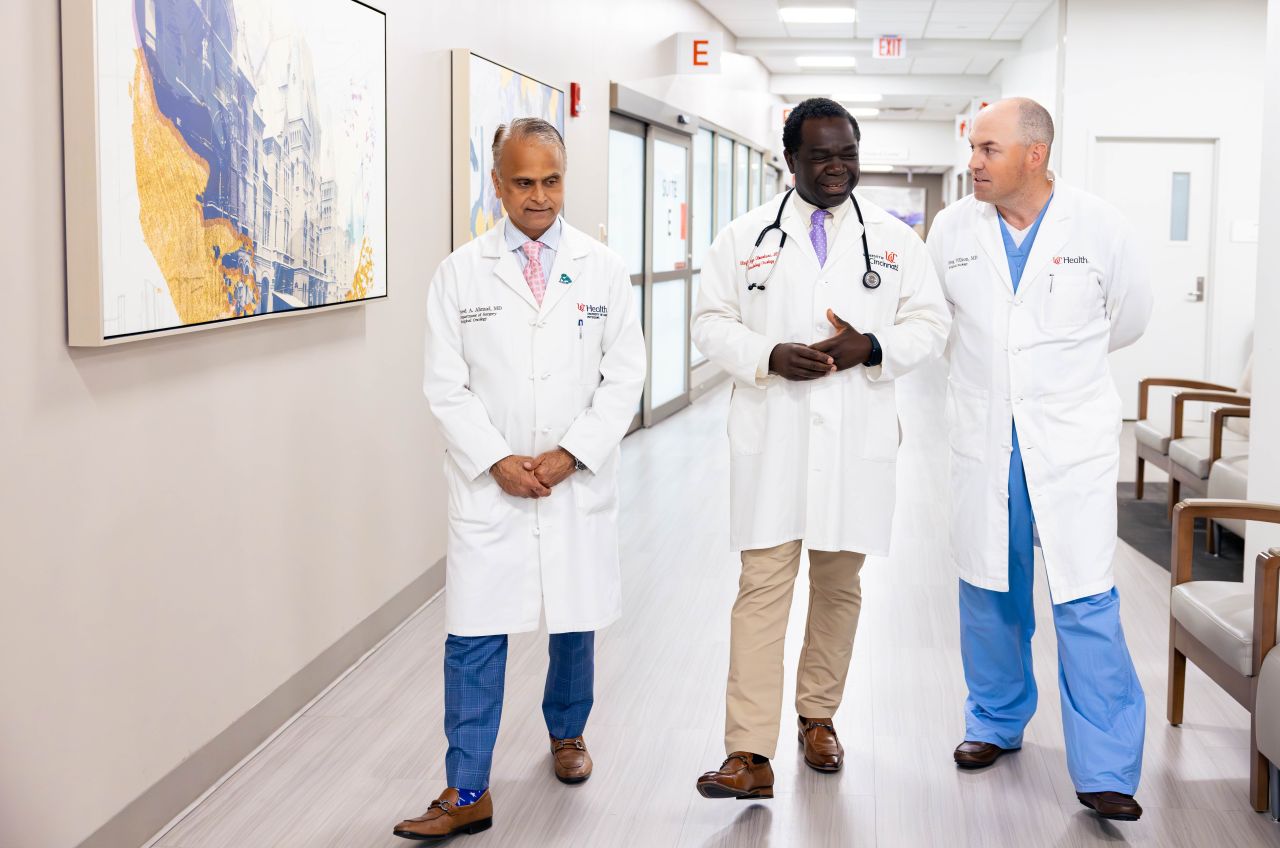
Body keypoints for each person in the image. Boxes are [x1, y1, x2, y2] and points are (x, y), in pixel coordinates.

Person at [691, 97, 951, 800]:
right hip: (772, 436)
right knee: (761, 591)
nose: (837, 168)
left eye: (847, 155)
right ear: (791, 160)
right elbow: (710, 320)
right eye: (821, 156)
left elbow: (931, 324)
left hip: (855, 439)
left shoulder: (896, 241)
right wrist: (765, 353)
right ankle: (748, 751)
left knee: (838, 590)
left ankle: (818, 718)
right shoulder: (744, 236)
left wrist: (874, 346)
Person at [395, 118, 645, 842]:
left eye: (553, 180)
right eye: (525, 182)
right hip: (489, 484)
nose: (540, 197)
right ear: (498, 184)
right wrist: (497, 459)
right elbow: (445, 385)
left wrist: (572, 453)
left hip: (573, 478)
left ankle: (567, 735)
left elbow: (624, 373)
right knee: (474, 631)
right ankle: (467, 785)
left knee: (573, 620)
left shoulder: (602, 268)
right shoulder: (460, 272)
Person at [926, 98, 1153, 821]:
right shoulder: (952, 228)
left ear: (1035, 153)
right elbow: (934, 322)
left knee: (1086, 599)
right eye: (973, 149)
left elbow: (1131, 317)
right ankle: (993, 721)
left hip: (1071, 445)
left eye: (988, 149)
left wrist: (1050, 376)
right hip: (984, 436)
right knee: (989, 589)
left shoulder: (1100, 226)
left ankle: (1107, 769)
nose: (974, 163)